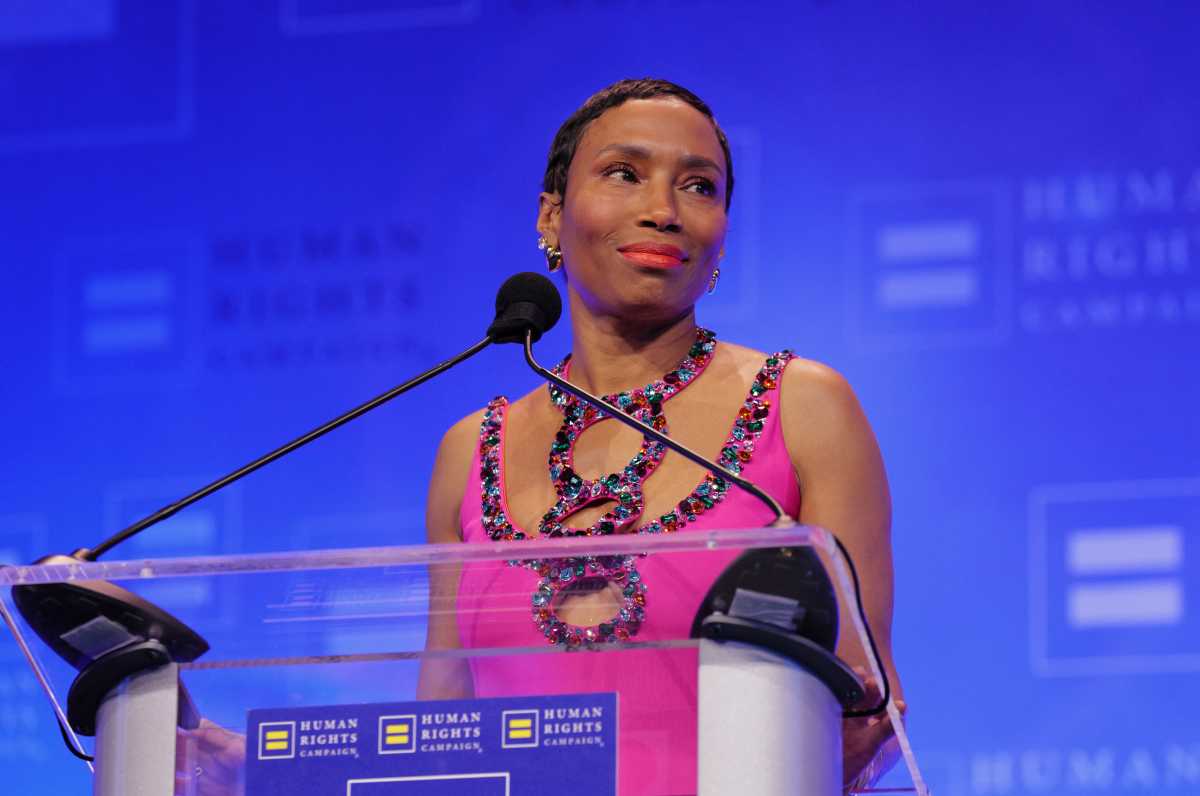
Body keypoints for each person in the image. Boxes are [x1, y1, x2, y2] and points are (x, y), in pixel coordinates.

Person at [419, 78, 907, 795]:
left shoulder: (803, 406)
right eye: (624, 173)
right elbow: (439, 725)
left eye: (699, 187)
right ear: (551, 217)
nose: (663, 211)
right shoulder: (470, 449)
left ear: (723, 235)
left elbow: (868, 704)